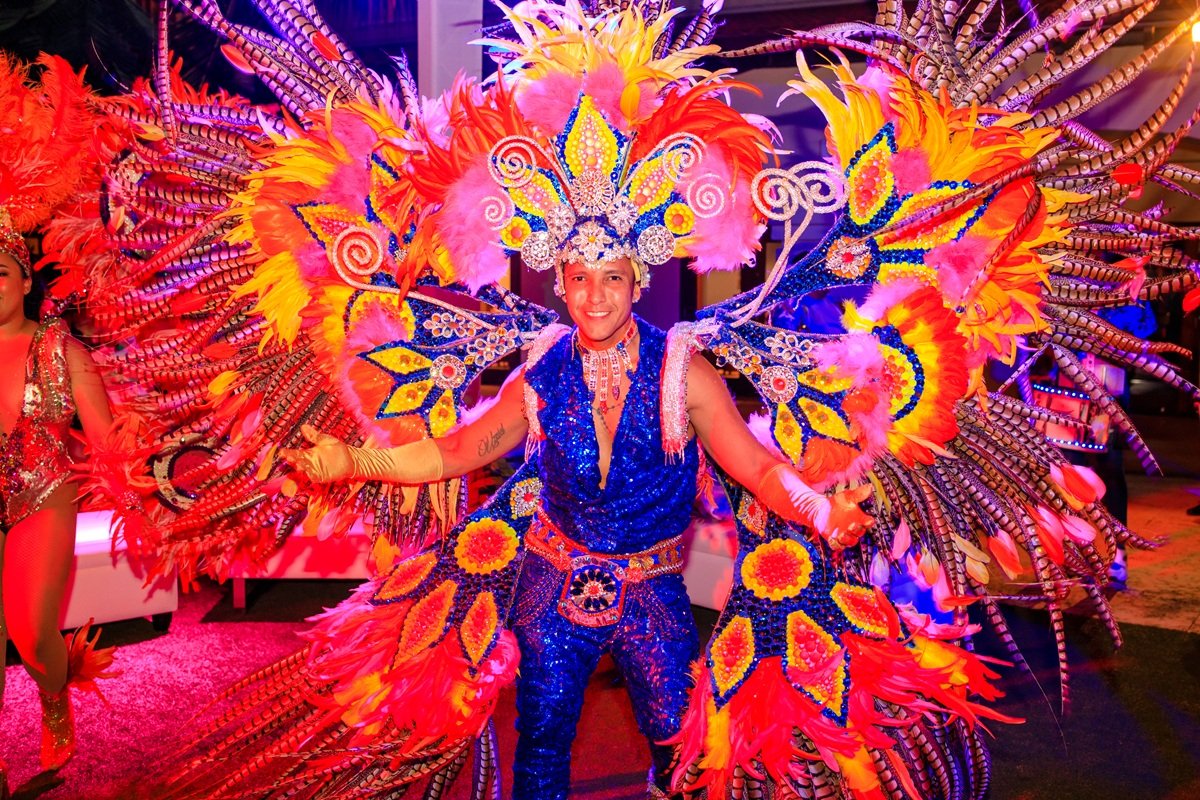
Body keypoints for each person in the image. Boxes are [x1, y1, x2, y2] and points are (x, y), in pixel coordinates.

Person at [285, 253, 874, 797]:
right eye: (580, 279)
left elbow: (757, 468)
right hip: (552, 583)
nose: (595, 297)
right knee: (541, 739)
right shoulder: (541, 373)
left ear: (638, 284)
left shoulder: (683, 374)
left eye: (612, 278)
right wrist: (356, 462)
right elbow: (456, 452)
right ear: (563, 285)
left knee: (679, 741)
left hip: (654, 589)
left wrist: (820, 510)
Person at [0, 211, 114, 795]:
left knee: (29, 631)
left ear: (24, 282)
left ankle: (52, 696)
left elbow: (107, 443)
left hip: (43, 494)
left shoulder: (58, 346)